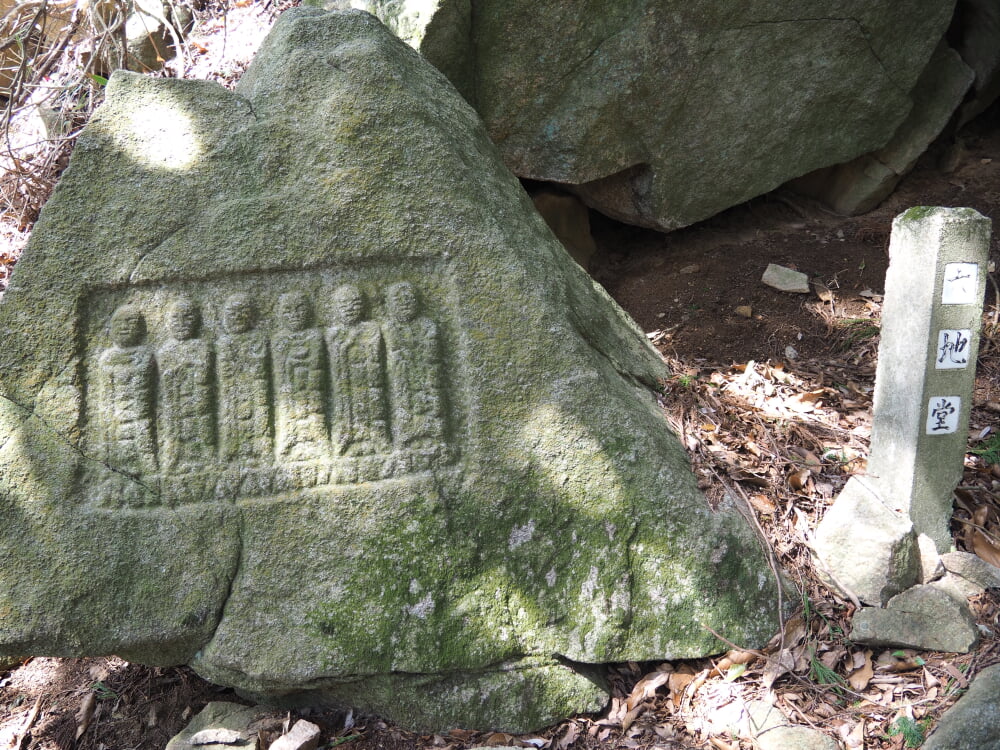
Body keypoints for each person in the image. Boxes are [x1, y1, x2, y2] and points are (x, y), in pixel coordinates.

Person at [326, 284, 389, 456]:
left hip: (369, 379)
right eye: (344, 304)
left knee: (375, 406)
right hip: (346, 383)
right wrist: (349, 343)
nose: (350, 309)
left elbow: (374, 353)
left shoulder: (371, 328)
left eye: (355, 303)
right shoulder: (334, 333)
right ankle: (346, 439)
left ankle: (377, 438)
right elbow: (337, 357)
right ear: (336, 308)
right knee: (346, 411)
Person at [97, 304, 157, 478]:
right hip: (115, 415)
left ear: (140, 329)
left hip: (139, 415)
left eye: (131, 322)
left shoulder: (144, 354)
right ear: (111, 328)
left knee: (143, 439)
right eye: (119, 323)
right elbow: (106, 394)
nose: (124, 327)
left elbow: (142, 383)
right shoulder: (107, 358)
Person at [157, 297, 214, 473]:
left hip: (198, 400)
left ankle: (207, 460)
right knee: (175, 431)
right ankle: (174, 460)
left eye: (187, 317)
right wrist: (181, 370)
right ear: (168, 322)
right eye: (175, 318)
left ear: (196, 321)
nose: (181, 323)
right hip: (175, 403)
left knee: (201, 428)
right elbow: (166, 378)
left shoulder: (201, 346)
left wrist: (186, 370)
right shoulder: (166, 350)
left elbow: (203, 373)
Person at [272, 291, 327, 461]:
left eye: (300, 309)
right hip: (290, 391)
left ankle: (319, 444)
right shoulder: (279, 340)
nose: (294, 315)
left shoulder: (314, 336)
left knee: (314, 413)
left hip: (311, 388)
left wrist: (295, 361)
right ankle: (289, 443)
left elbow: (315, 362)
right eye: (288, 311)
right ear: (281, 315)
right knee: (289, 414)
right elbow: (281, 370)